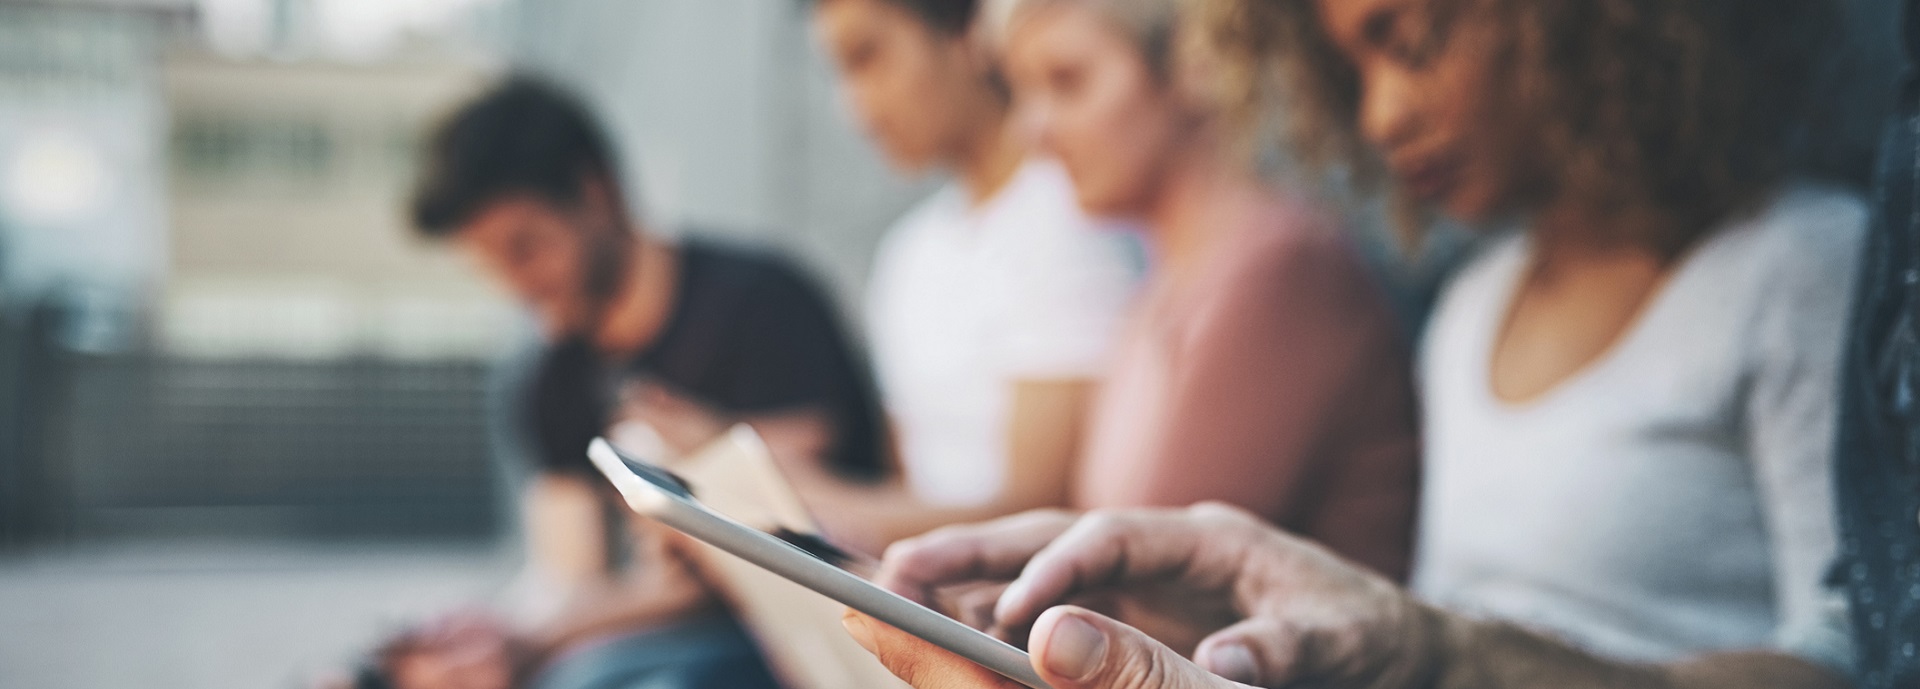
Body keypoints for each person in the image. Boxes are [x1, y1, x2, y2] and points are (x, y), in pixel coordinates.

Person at [840, 0, 1884, 685]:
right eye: (1352, 74)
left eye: (1411, 42)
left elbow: (1862, 658)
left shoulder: (1800, 267)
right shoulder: (1474, 305)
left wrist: (1435, 651)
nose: (1381, 118)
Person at [377, 76, 894, 689]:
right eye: (492, 264)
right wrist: (490, 641)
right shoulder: (552, 383)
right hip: (660, 639)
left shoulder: (761, 305)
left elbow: (783, 543)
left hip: (818, 625)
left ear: (594, 191)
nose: (517, 283)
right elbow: (573, 580)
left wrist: (548, 634)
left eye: (526, 247)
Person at [992, 0, 1419, 578]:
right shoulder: (1166, 285)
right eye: (1021, 92)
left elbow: (1150, 583)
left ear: (1195, 66)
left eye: (1068, 82)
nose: (1032, 130)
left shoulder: (1282, 274)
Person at [795, 0, 1141, 550]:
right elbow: (910, 486)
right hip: (923, 595)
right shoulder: (908, 255)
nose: (857, 109)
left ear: (962, 35)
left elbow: (1038, 510)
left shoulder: (1070, 219)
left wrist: (804, 499)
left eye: (869, 57)